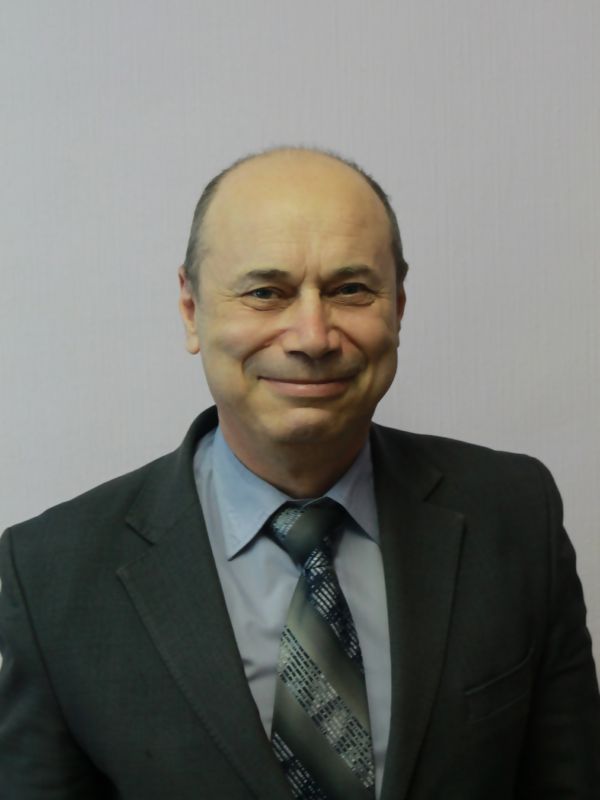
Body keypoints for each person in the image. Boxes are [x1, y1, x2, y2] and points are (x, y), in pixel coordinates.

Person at [1, 147, 599, 800]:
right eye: (266, 293)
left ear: (398, 307)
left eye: (350, 290)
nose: (313, 336)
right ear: (190, 309)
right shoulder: (51, 575)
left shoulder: (515, 515)